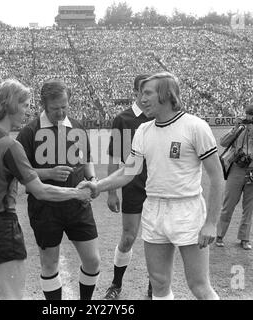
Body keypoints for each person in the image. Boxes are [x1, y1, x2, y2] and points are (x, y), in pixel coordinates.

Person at [80, 72, 223, 300]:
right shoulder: (144, 131)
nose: (141, 98)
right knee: (159, 283)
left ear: (166, 94)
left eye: (147, 93)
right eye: (140, 93)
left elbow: (216, 177)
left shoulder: (196, 127)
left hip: (186, 211)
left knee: (198, 285)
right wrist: (100, 185)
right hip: (153, 209)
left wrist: (211, 224)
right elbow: (129, 170)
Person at [0, 79, 92, 300]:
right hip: (0, 225)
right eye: (24, 105)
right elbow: (40, 191)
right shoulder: (10, 145)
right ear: (11, 106)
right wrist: (77, 193)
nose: (27, 111)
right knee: (12, 296)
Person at [17, 79, 101, 300]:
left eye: (65, 106)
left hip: (78, 204)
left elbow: (87, 158)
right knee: (50, 263)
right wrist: (48, 173)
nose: (61, 112)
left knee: (93, 261)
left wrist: (92, 178)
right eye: (55, 108)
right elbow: (19, 173)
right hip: (45, 208)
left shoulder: (77, 126)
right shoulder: (29, 133)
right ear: (43, 105)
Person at [104, 74, 153, 300]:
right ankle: (116, 284)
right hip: (132, 185)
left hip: (158, 187)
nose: (147, 96)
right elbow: (114, 155)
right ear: (135, 93)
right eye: (143, 91)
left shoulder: (160, 116)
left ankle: (155, 286)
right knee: (128, 237)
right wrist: (111, 191)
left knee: (158, 239)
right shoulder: (124, 119)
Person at [216, 104, 253, 250]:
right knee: (228, 204)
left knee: (248, 208)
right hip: (236, 170)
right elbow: (223, 142)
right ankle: (219, 235)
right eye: (249, 118)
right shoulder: (240, 130)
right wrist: (235, 128)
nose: (252, 121)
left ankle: (244, 238)